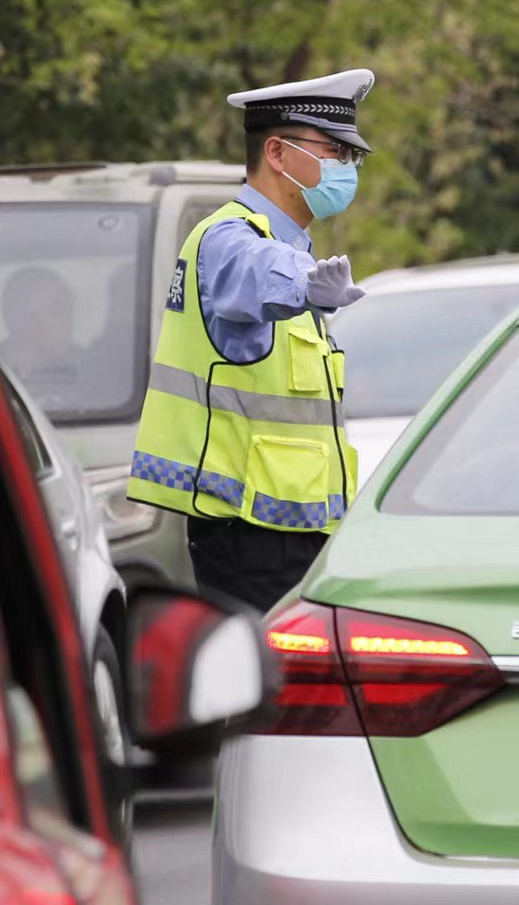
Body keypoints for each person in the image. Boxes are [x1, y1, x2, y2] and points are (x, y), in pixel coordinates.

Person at [127, 68, 374, 610]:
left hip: (293, 534)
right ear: (278, 153)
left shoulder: (293, 248)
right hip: (249, 535)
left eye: (352, 157)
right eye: (334, 151)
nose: (346, 168)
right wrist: (305, 286)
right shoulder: (229, 238)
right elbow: (260, 273)